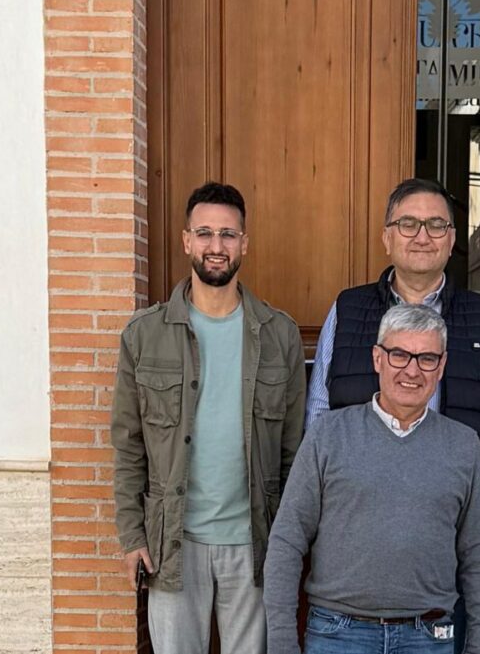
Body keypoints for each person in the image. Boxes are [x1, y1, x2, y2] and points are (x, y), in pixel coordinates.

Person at [113, 183, 307, 654]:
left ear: (245, 243)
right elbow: (128, 444)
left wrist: (292, 542)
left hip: (255, 541)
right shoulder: (145, 336)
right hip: (173, 542)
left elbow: (295, 452)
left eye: (228, 234)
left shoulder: (278, 334)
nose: (216, 246)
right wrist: (131, 535)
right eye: (205, 233)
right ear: (186, 241)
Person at [265, 303, 480, 654]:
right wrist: (282, 642)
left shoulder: (463, 446)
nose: (412, 370)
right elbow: (287, 540)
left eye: (427, 358)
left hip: (427, 636)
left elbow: (478, 555)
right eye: (399, 354)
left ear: (442, 366)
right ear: (377, 358)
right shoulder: (328, 434)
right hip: (338, 634)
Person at [307, 176, 480, 520]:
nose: (423, 237)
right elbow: (319, 421)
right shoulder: (348, 310)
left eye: (436, 225)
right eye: (408, 224)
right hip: (355, 520)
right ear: (387, 238)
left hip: (452, 525)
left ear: (452, 239)